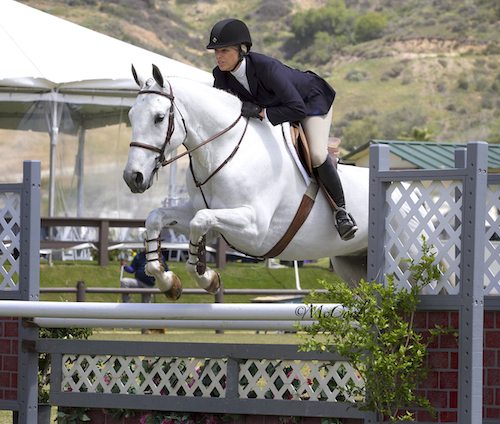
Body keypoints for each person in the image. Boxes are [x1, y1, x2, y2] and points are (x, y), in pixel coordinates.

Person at [206, 18, 357, 241]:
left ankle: (342, 212)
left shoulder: (265, 67)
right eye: (216, 51)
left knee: (316, 153)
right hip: (278, 109)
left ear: (242, 50)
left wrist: (260, 112)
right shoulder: (220, 75)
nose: (219, 56)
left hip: (309, 102)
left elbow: (296, 108)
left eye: (224, 50)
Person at [120, 250, 169, 333]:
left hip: (149, 286)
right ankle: (127, 306)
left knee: (146, 308)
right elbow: (132, 269)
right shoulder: (139, 256)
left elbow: (166, 270)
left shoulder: (159, 257)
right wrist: (125, 266)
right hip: (138, 282)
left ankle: (145, 329)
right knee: (124, 282)